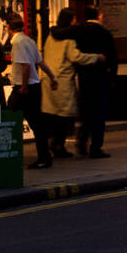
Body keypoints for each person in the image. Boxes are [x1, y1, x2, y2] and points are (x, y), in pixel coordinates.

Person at [7, 15, 58, 168]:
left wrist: (23, 87)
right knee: (37, 124)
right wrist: (52, 77)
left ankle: (8, 153)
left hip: (24, 88)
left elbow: (26, 66)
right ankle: (45, 156)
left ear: (9, 28)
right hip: (35, 86)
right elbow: (40, 62)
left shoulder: (18, 43)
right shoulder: (29, 40)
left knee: (7, 118)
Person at [72, 6, 116, 158]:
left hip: (84, 76)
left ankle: (82, 141)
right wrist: (112, 78)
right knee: (99, 113)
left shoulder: (78, 32)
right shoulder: (105, 33)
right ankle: (96, 147)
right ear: (99, 15)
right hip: (100, 75)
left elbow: (74, 53)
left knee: (86, 110)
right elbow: (112, 57)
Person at [41, 8, 85, 158]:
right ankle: (58, 145)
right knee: (64, 116)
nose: (75, 22)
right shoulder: (69, 39)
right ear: (70, 20)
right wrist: (95, 57)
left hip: (49, 79)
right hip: (63, 82)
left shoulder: (50, 36)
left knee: (51, 115)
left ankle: (50, 144)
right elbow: (76, 57)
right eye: (74, 19)